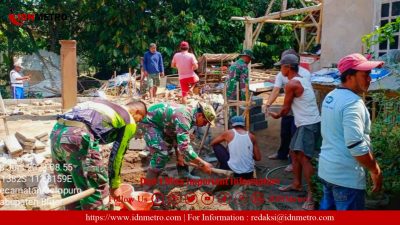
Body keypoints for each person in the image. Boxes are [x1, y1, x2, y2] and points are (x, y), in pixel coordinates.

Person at [50, 99, 147, 210]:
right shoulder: (129, 120)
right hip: (77, 136)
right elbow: (117, 155)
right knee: (97, 190)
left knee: (69, 187)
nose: (138, 122)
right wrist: (114, 185)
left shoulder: (105, 104)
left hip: (56, 132)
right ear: (137, 112)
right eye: (140, 119)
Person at [318, 53, 384, 210]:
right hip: (346, 179)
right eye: (365, 74)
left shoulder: (331, 96)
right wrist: (375, 170)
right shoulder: (353, 103)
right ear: (350, 76)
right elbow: (356, 145)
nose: (370, 79)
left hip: (327, 171)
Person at [269, 54, 321, 210]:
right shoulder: (303, 79)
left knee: (305, 158)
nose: (280, 70)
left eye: (281, 67)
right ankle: (297, 184)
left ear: (288, 67)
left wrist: (276, 114)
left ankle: (313, 197)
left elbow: (285, 109)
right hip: (306, 123)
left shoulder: (291, 84)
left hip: (308, 124)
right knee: (293, 152)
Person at [140, 101, 216, 192]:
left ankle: (184, 175)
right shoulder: (184, 117)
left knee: (182, 150)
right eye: (205, 121)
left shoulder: (191, 117)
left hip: (165, 125)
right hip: (150, 123)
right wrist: (202, 164)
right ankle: (147, 189)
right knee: (161, 154)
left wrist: (180, 153)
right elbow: (185, 147)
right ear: (200, 115)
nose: (205, 124)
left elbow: (181, 142)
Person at [266, 49, 311, 173]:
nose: (281, 67)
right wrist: (268, 103)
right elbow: (276, 90)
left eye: (282, 65)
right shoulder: (282, 75)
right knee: (285, 133)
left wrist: (280, 112)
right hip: (288, 110)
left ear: (289, 66)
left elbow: (297, 98)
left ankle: (293, 163)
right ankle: (281, 154)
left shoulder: (304, 75)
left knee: (295, 137)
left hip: (299, 112)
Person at [225, 49, 254, 117]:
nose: (250, 61)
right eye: (250, 59)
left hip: (228, 91)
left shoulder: (234, 64)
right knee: (236, 112)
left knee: (231, 110)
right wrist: (246, 99)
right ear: (247, 57)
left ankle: (230, 125)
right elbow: (244, 85)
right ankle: (237, 126)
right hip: (235, 93)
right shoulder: (243, 66)